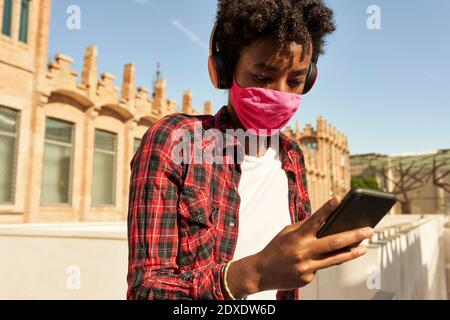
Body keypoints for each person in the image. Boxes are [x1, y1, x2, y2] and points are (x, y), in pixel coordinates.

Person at [126, 0, 374, 300]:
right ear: (225, 71)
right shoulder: (174, 141)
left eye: (295, 80)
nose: (281, 93)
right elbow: (145, 290)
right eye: (262, 77)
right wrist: (255, 274)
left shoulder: (292, 156)